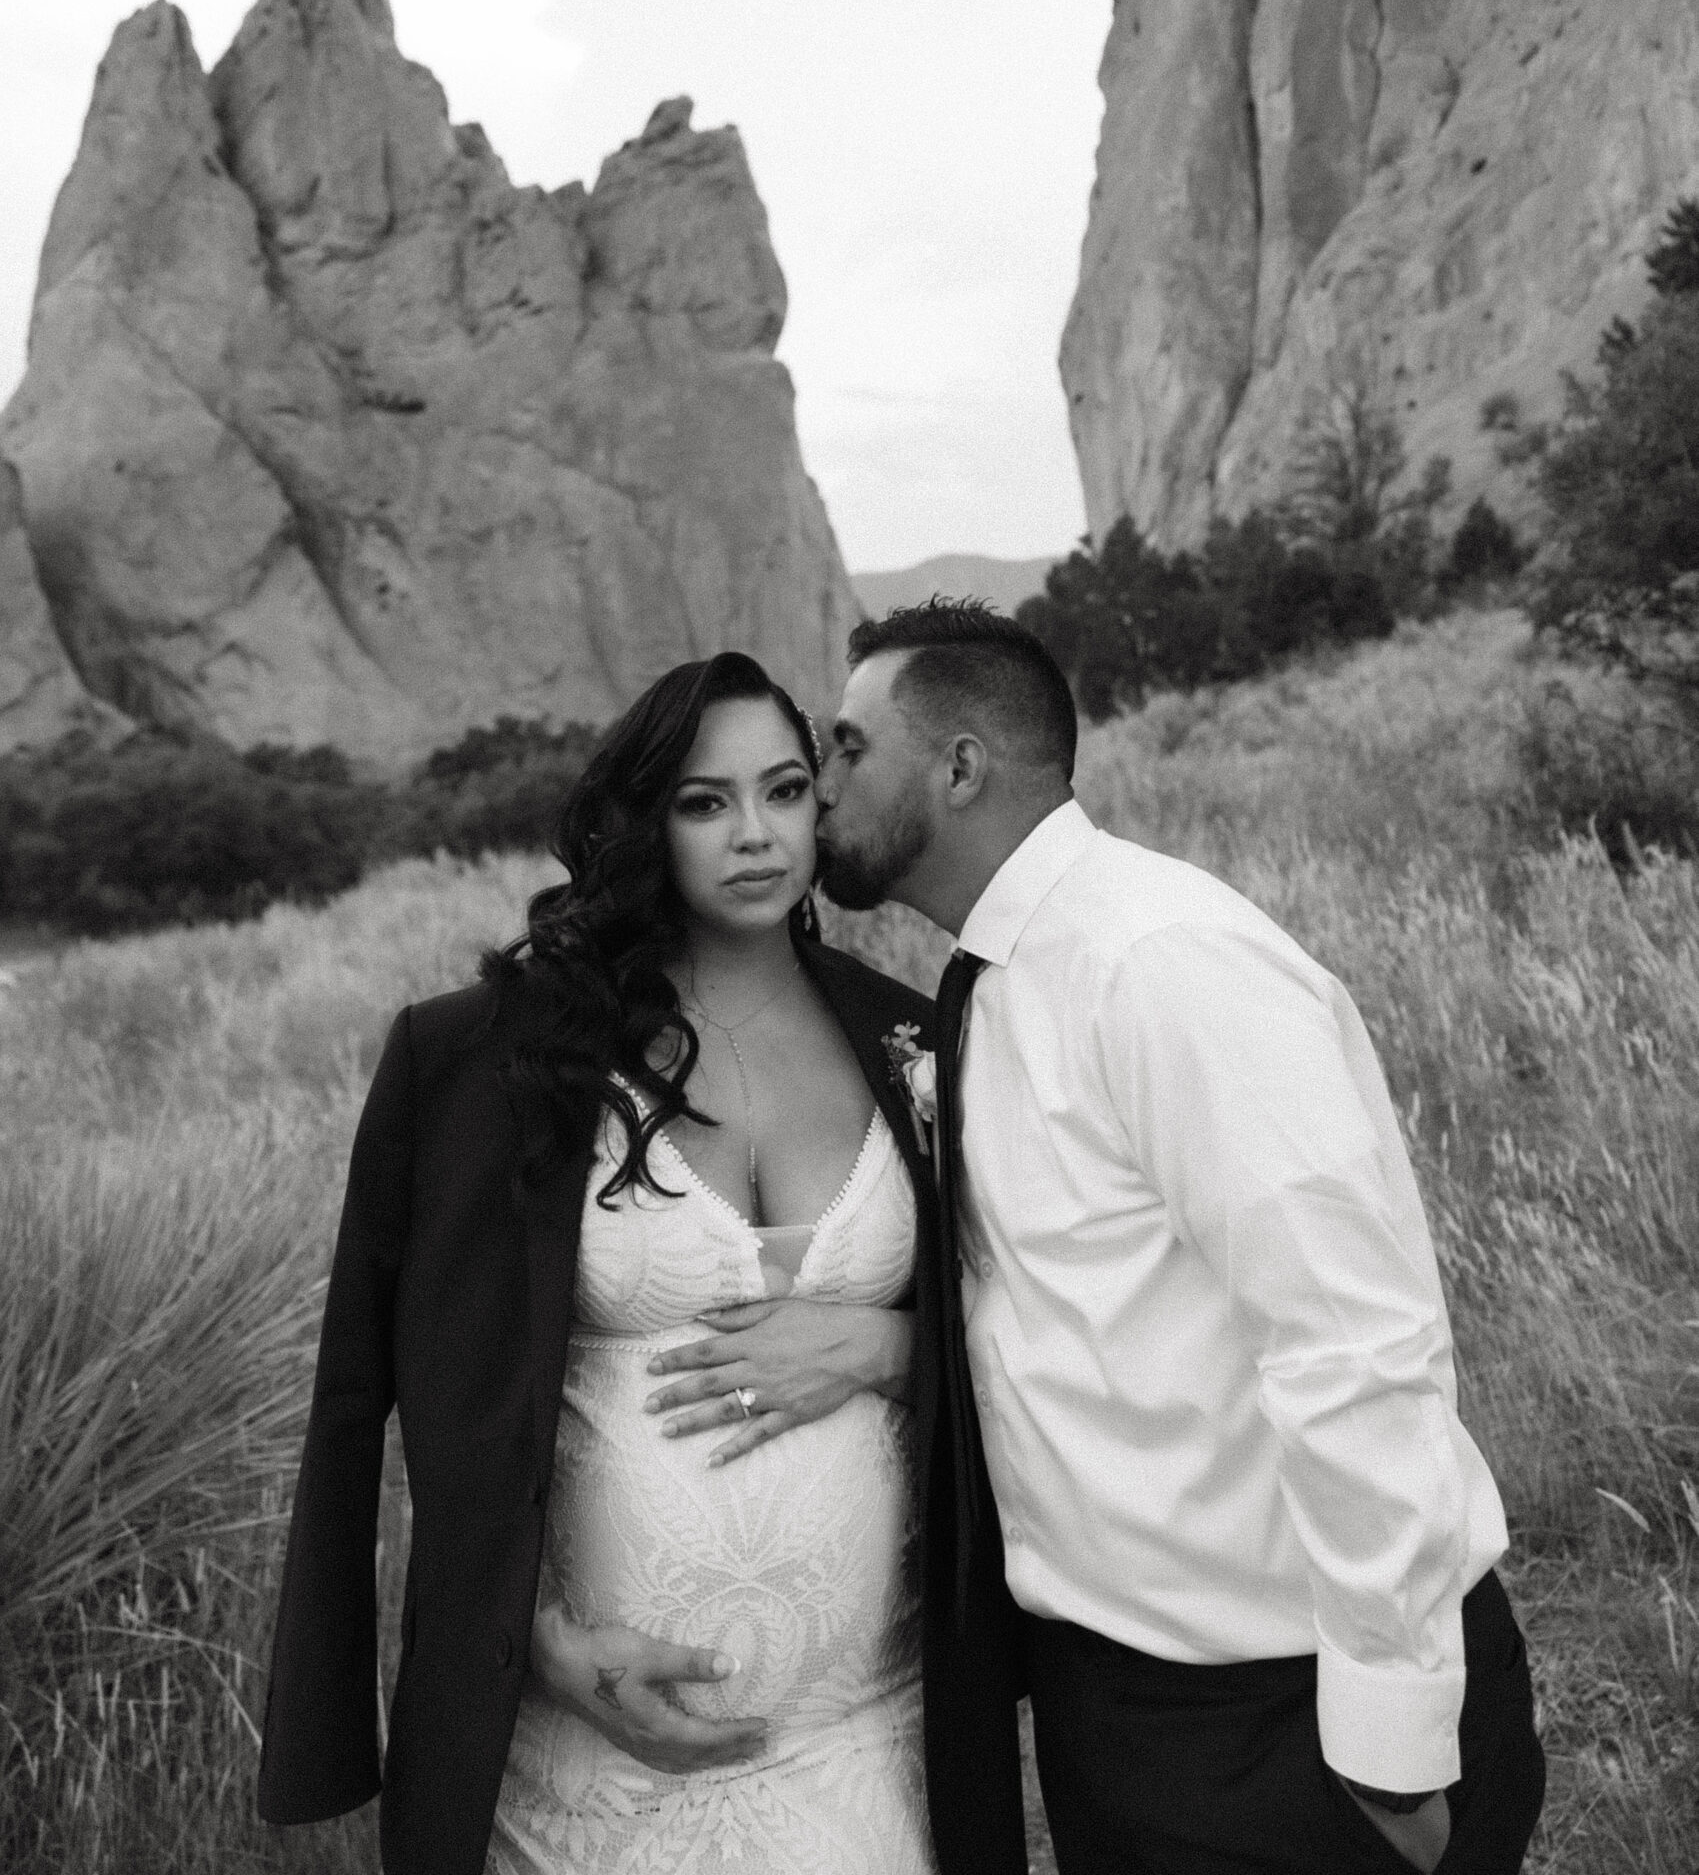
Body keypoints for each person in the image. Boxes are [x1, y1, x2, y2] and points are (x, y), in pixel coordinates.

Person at [256, 649, 1027, 1875]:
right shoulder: (485, 1061)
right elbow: (376, 1401)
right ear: (642, 822)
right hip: (583, 1772)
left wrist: (896, 1344)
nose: (755, 835)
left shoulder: (917, 1038)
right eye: (704, 803)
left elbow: (1023, 1320)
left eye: (783, 791)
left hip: (868, 1749)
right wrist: (537, 1640)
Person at [813, 599, 1546, 1875]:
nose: (818, 786)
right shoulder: (1003, 977)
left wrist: (1392, 1746)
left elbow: (1350, 1339)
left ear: (962, 764)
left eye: (846, 746)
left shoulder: (1160, 959)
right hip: (1127, 1715)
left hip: (1286, 1719)